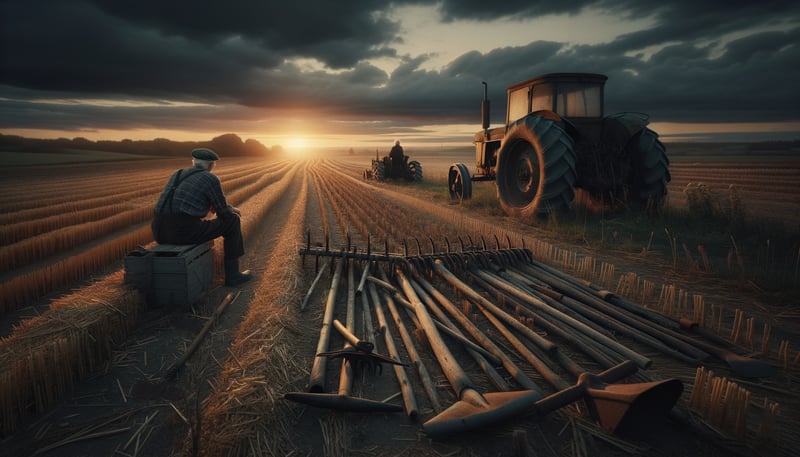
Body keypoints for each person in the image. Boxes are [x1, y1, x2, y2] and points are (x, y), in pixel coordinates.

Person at [152, 147, 252, 286]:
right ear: (211, 165)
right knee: (232, 221)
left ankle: (233, 274)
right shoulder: (209, 178)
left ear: (194, 162)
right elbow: (223, 212)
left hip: (158, 231)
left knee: (221, 219)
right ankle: (233, 275)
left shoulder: (178, 173)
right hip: (183, 232)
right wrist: (231, 210)